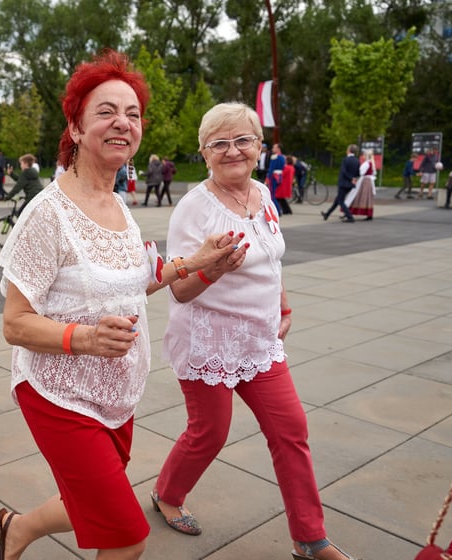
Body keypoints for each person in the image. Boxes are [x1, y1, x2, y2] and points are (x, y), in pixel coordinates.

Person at [0, 49, 242, 560]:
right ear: (76, 128)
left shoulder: (119, 205)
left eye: (132, 113)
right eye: (106, 111)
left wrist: (198, 262)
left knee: (87, 502)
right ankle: (20, 530)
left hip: (117, 396)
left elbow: (133, 282)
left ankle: (16, 528)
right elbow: (14, 325)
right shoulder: (48, 215)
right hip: (58, 395)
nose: (122, 123)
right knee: (127, 538)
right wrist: (83, 338)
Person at [153, 101, 358, 560]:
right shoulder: (193, 209)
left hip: (258, 340)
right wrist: (213, 270)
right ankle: (167, 494)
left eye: (243, 140)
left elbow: (271, 255)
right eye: (219, 144)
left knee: (291, 429)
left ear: (259, 147)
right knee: (210, 433)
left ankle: (310, 539)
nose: (232, 151)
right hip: (209, 340)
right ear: (203, 153)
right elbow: (179, 290)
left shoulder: (263, 195)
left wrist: (281, 299)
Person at [321, 144, 359, 223]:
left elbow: (343, 172)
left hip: (343, 183)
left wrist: (350, 178)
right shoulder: (357, 161)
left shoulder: (345, 160)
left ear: (348, 151)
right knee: (337, 200)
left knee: (340, 201)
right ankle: (327, 214)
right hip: (350, 184)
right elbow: (358, 172)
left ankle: (350, 217)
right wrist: (353, 178)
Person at [347, 148, 376, 220]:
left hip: (365, 181)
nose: (363, 156)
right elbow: (374, 173)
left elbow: (361, 172)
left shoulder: (366, 163)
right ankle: (369, 214)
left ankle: (350, 211)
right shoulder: (371, 162)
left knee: (359, 196)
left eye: (364, 154)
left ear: (366, 155)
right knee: (368, 197)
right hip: (369, 181)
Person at [266, 143, 285, 215]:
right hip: (279, 177)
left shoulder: (274, 157)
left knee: (272, 195)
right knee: (275, 194)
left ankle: (277, 210)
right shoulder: (282, 157)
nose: (272, 149)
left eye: (274, 147)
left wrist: (267, 178)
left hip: (273, 177)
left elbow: (271, 169)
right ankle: (279, 209)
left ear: (278, 149)